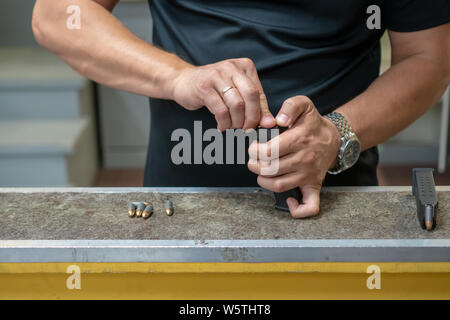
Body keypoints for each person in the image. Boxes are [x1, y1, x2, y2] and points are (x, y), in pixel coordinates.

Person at [32, 0, 450, 217]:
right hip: (181, 201)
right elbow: (57, 15)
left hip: (334, 201)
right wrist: (177, 77)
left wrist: (334, 133)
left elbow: (428, 58)